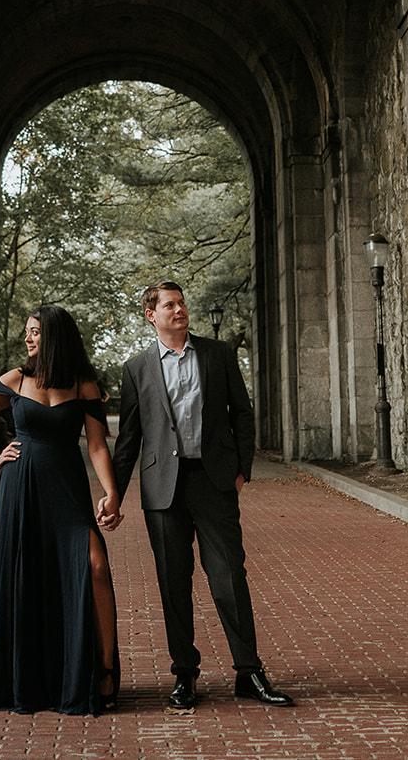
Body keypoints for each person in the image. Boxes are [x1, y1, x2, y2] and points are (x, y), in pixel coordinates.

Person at [108, 281, 293, 710]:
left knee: (229, 576)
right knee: (174, 584)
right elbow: (129, 439)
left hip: (213, 482)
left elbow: (242, 414)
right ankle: (184, 676)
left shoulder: (218, 354)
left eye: (181, 302)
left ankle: (249, 673)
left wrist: (241, 471)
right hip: (162, 489)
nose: (179, 309)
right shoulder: (137, 368)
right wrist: (113, 493)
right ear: (151, 315)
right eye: (169, 305)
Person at [0, 304, 123, 715]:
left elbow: (96, 445)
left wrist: (112, 493)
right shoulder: (14, 380)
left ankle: (103, 669)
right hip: (22, 490)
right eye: (27, 331)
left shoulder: (84, 384)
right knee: (28, 578)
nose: (28, 337)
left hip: (67, 490)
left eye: (34, 331)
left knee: (95, 566)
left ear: (54, 335)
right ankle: (30, 679)